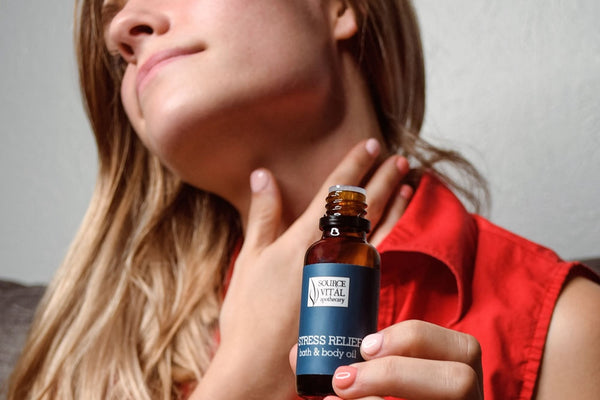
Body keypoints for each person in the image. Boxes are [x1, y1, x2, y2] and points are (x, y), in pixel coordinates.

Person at [7, 0, 600, 399]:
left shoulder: (564, 327)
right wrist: (237, 383)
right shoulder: (92, 339)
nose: (121, 27)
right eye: (113, 34)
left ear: (337, 5)